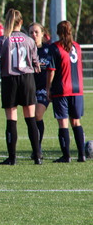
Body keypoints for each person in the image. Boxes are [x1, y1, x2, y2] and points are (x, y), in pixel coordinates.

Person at [0, 9, 42, 165]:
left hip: (10, 80)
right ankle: (37, 156)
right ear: (21, 23)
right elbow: (36, 63)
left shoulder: (3, 40)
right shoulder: (29, 40)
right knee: (31, 119)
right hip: (27, 80)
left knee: (11, 120)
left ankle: (12, 158)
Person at [46, 21, 87, 163]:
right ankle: (82, 155)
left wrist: (48, 88)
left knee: (63, 123)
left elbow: (51, 71)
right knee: (76, 122)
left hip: (62, 89)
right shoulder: (77, 47)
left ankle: (66, 156)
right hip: (77, 89)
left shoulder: (55, 47)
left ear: (57, 32)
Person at [28, 22, 50, 160]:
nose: (34, 35)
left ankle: (38, 147)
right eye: (31, 32)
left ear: (42, 34)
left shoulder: (48, 50)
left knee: (37, 115)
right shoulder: (27, 50)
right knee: (31, 119)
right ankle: (36, 148)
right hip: (30, 89)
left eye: (36, 32)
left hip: (44, 89)